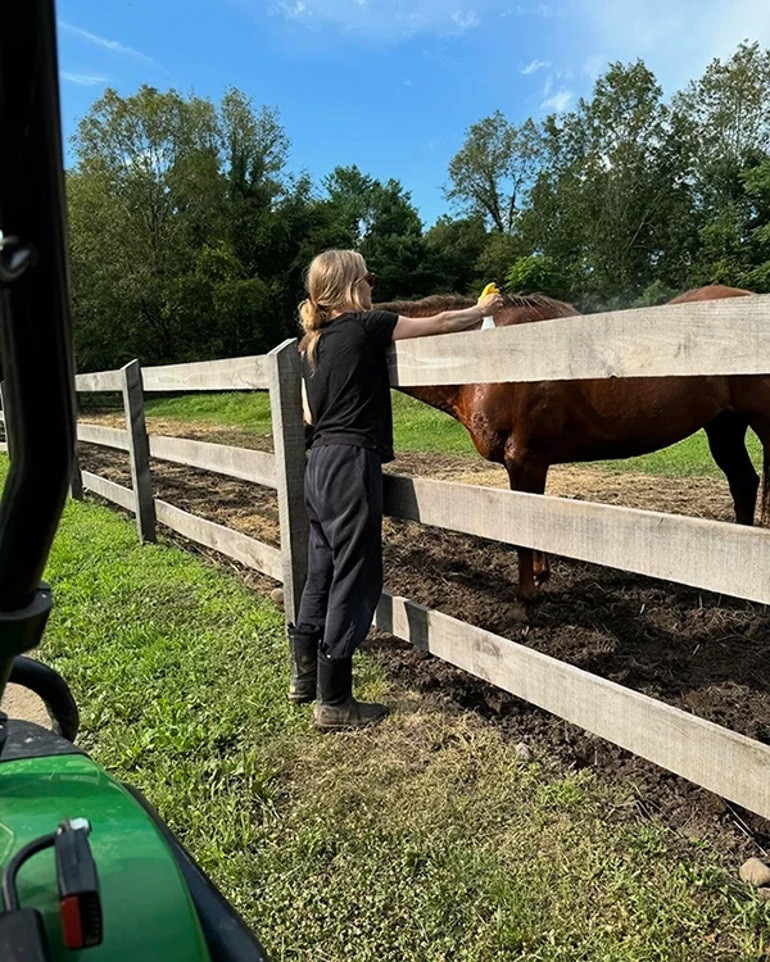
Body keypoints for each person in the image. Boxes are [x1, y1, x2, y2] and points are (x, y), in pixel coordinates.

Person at [289, 249, 503, 731]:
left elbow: (307, 416)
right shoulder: (367, 326)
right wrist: (482, 311)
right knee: (354, 575)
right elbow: (443, 321)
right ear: (350, 286)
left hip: (316, 466)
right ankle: (335, 701)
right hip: (350, 463)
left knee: (321, 569)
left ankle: (303, 679)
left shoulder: (310, 345)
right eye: (367, 277)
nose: (373, 284)